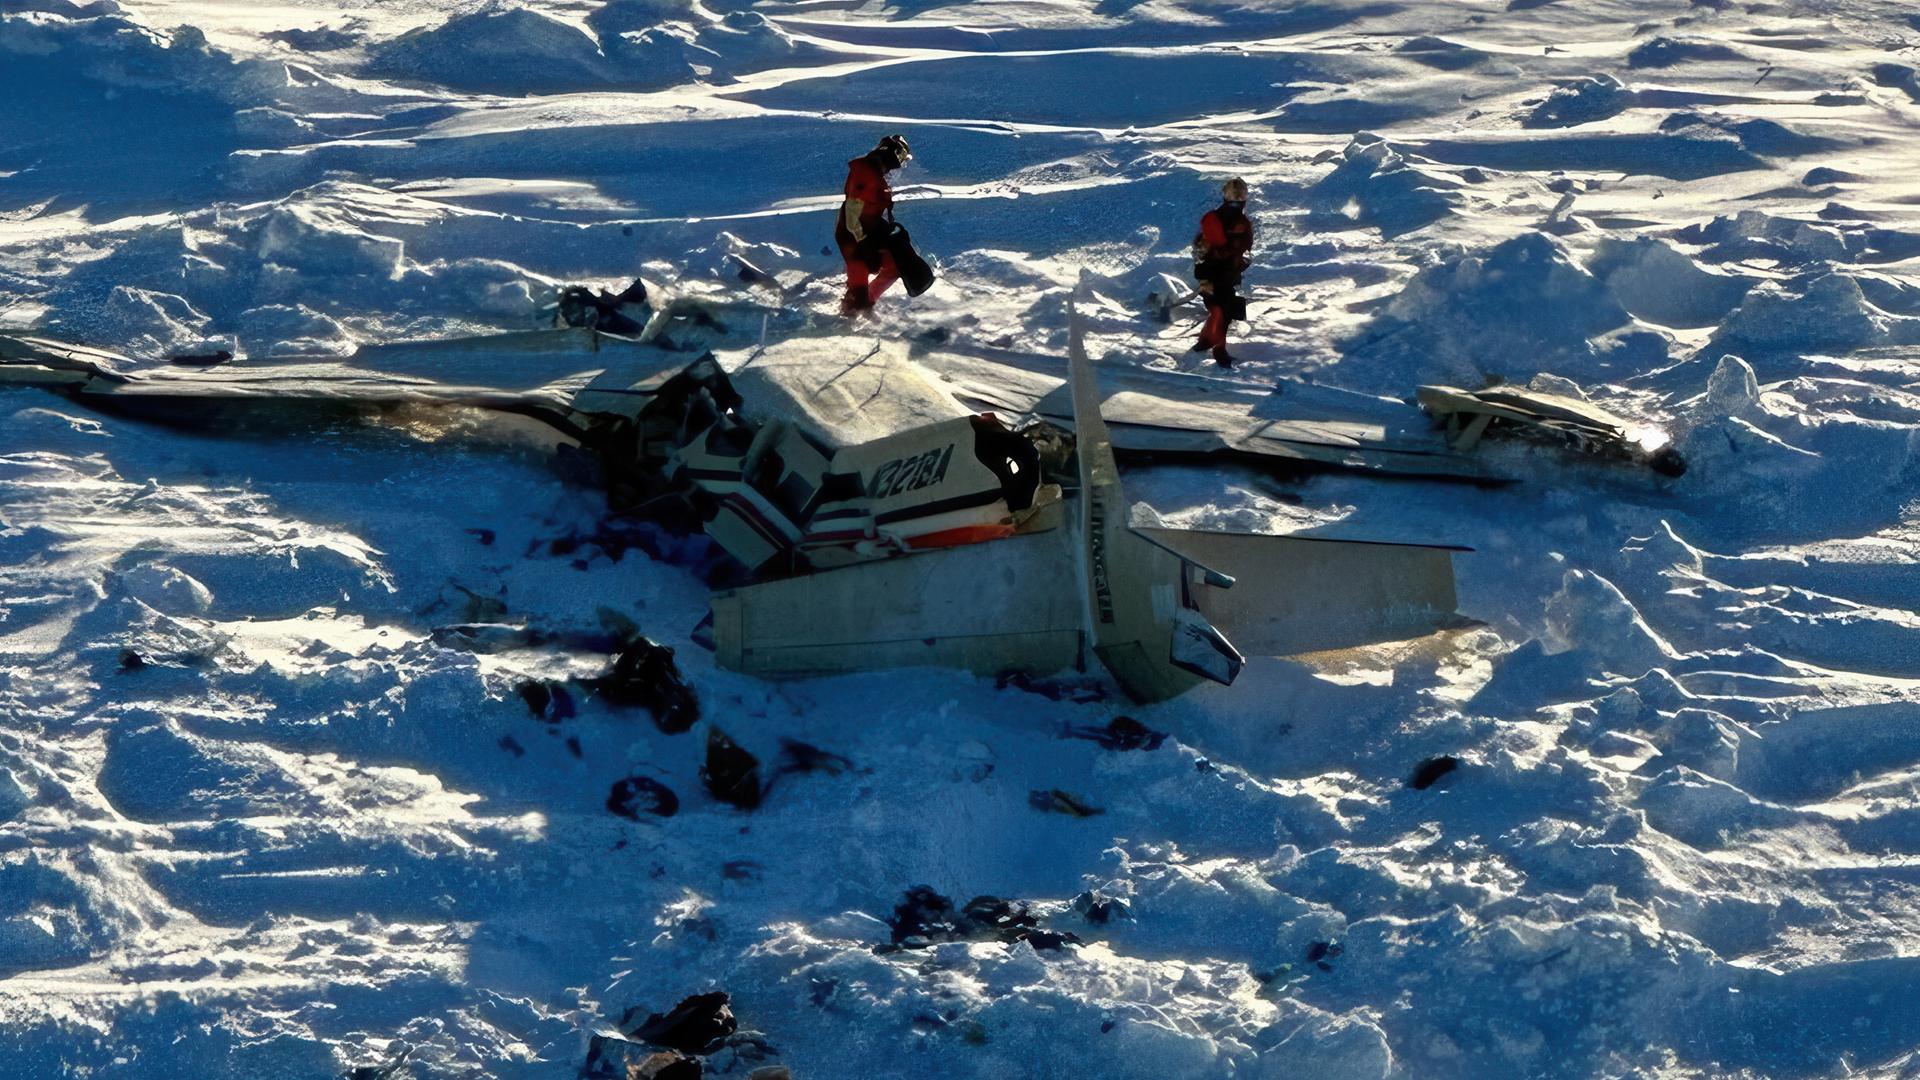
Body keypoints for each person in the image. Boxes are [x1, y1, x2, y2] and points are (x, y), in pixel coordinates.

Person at [836, 134, 912, 317]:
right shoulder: (865, 173)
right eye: (901, 158)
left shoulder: (875, 173)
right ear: (892, 154)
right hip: (853, 237)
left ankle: (865, 304)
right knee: (858, 292)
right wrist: (863, 243)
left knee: (894, 267)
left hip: (869, 232)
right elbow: (852, 213)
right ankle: (848, 319)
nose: (900, 164)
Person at [1191, 177, 1255, 367]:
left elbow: (1246, 245)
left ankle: (1205, 341)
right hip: (1212, 273)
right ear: (1226, 196)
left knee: (1222, 311)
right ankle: (1218, 350)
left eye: (1241, 196)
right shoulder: (1214, 219)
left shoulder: (1241, 221)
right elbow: (1205, 249)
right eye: (1235, 195)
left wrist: (1237, 254)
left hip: (1227, 273)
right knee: (1221, 312)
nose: (1238, 199)